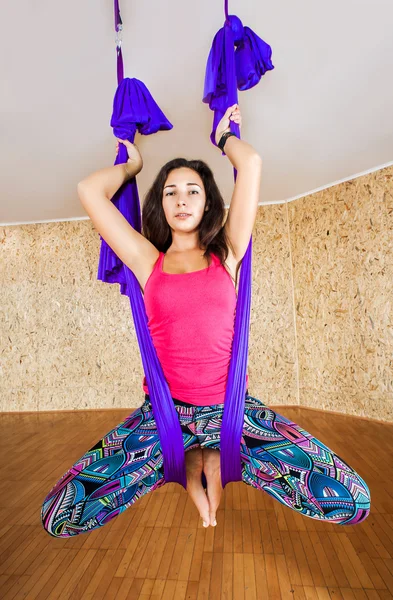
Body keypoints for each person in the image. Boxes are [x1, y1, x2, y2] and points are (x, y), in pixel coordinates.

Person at [41, 105, 371, 538]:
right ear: (159, 204)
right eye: (170, 191)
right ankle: (184, 458)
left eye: (193, 191)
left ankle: (214, 455)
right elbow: (89, 190)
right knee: (59, 517)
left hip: (230, 413)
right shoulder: (146, 261)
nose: (181, 199)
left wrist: (223, 137)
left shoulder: (229, 253)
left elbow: (249, 163)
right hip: (163, 418)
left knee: (352, 500)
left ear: (209, 200)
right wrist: (131, 166)